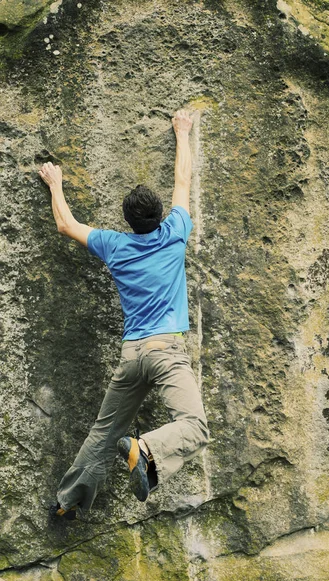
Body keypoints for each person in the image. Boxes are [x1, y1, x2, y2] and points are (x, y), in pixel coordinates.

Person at [39, 109, 209, 520]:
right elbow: (183, 182)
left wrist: (55, 184)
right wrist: (182, 134)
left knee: (104, 432)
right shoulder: (176, 232)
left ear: (129, 221)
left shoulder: (114, 245)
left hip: (132, 356)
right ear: (159, 216)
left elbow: (66, 225)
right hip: (166, 352)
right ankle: (147, 450)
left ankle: (67, 502)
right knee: (195, 426)